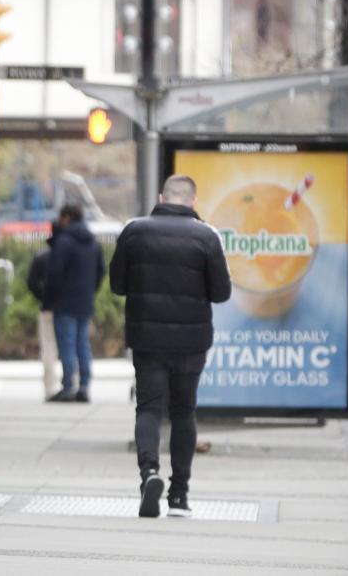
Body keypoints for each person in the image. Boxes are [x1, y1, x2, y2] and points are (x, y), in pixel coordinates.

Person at [110, 175, 231, 519]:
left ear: (161, 197)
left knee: (148, 408)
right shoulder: (207, 236)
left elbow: (117, 284)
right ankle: (179, 495)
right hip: (191, 342)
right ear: (193, 202)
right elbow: (221, 293)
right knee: (183, 411)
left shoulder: (134, 231)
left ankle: (149, 472)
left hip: (147, 339)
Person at [45, 203, 106, 403]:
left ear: (67, 218)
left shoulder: (64, 242)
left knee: (67, 345)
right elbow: (101, 271)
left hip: (64, 303)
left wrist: (51, 296)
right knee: (82, 345)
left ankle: (68, 386)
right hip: (85, 302)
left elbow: (55, 274)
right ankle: (84, 386)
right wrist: (90, 291)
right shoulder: (93, 242)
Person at [27, 220, 62, 399]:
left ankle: (50, 387)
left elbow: (31, 282)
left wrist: (42, 296)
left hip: (47, 307)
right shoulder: (71, 256)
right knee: (72, 347)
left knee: (48, 348)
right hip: (69, 308)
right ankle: (73, 383)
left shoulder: (42, 256)